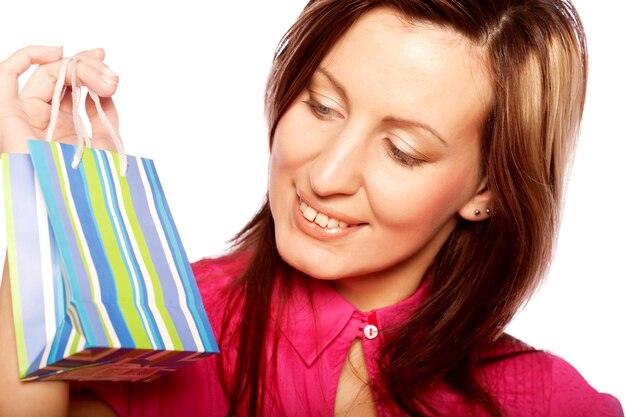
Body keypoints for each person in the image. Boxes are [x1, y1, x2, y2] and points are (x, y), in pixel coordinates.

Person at [0, 0, 622, 416]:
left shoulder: (548, 399)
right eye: (321, 106)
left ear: (487, 190)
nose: (325, 176)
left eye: (403, 152)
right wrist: (49, 192)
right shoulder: (163, 325)